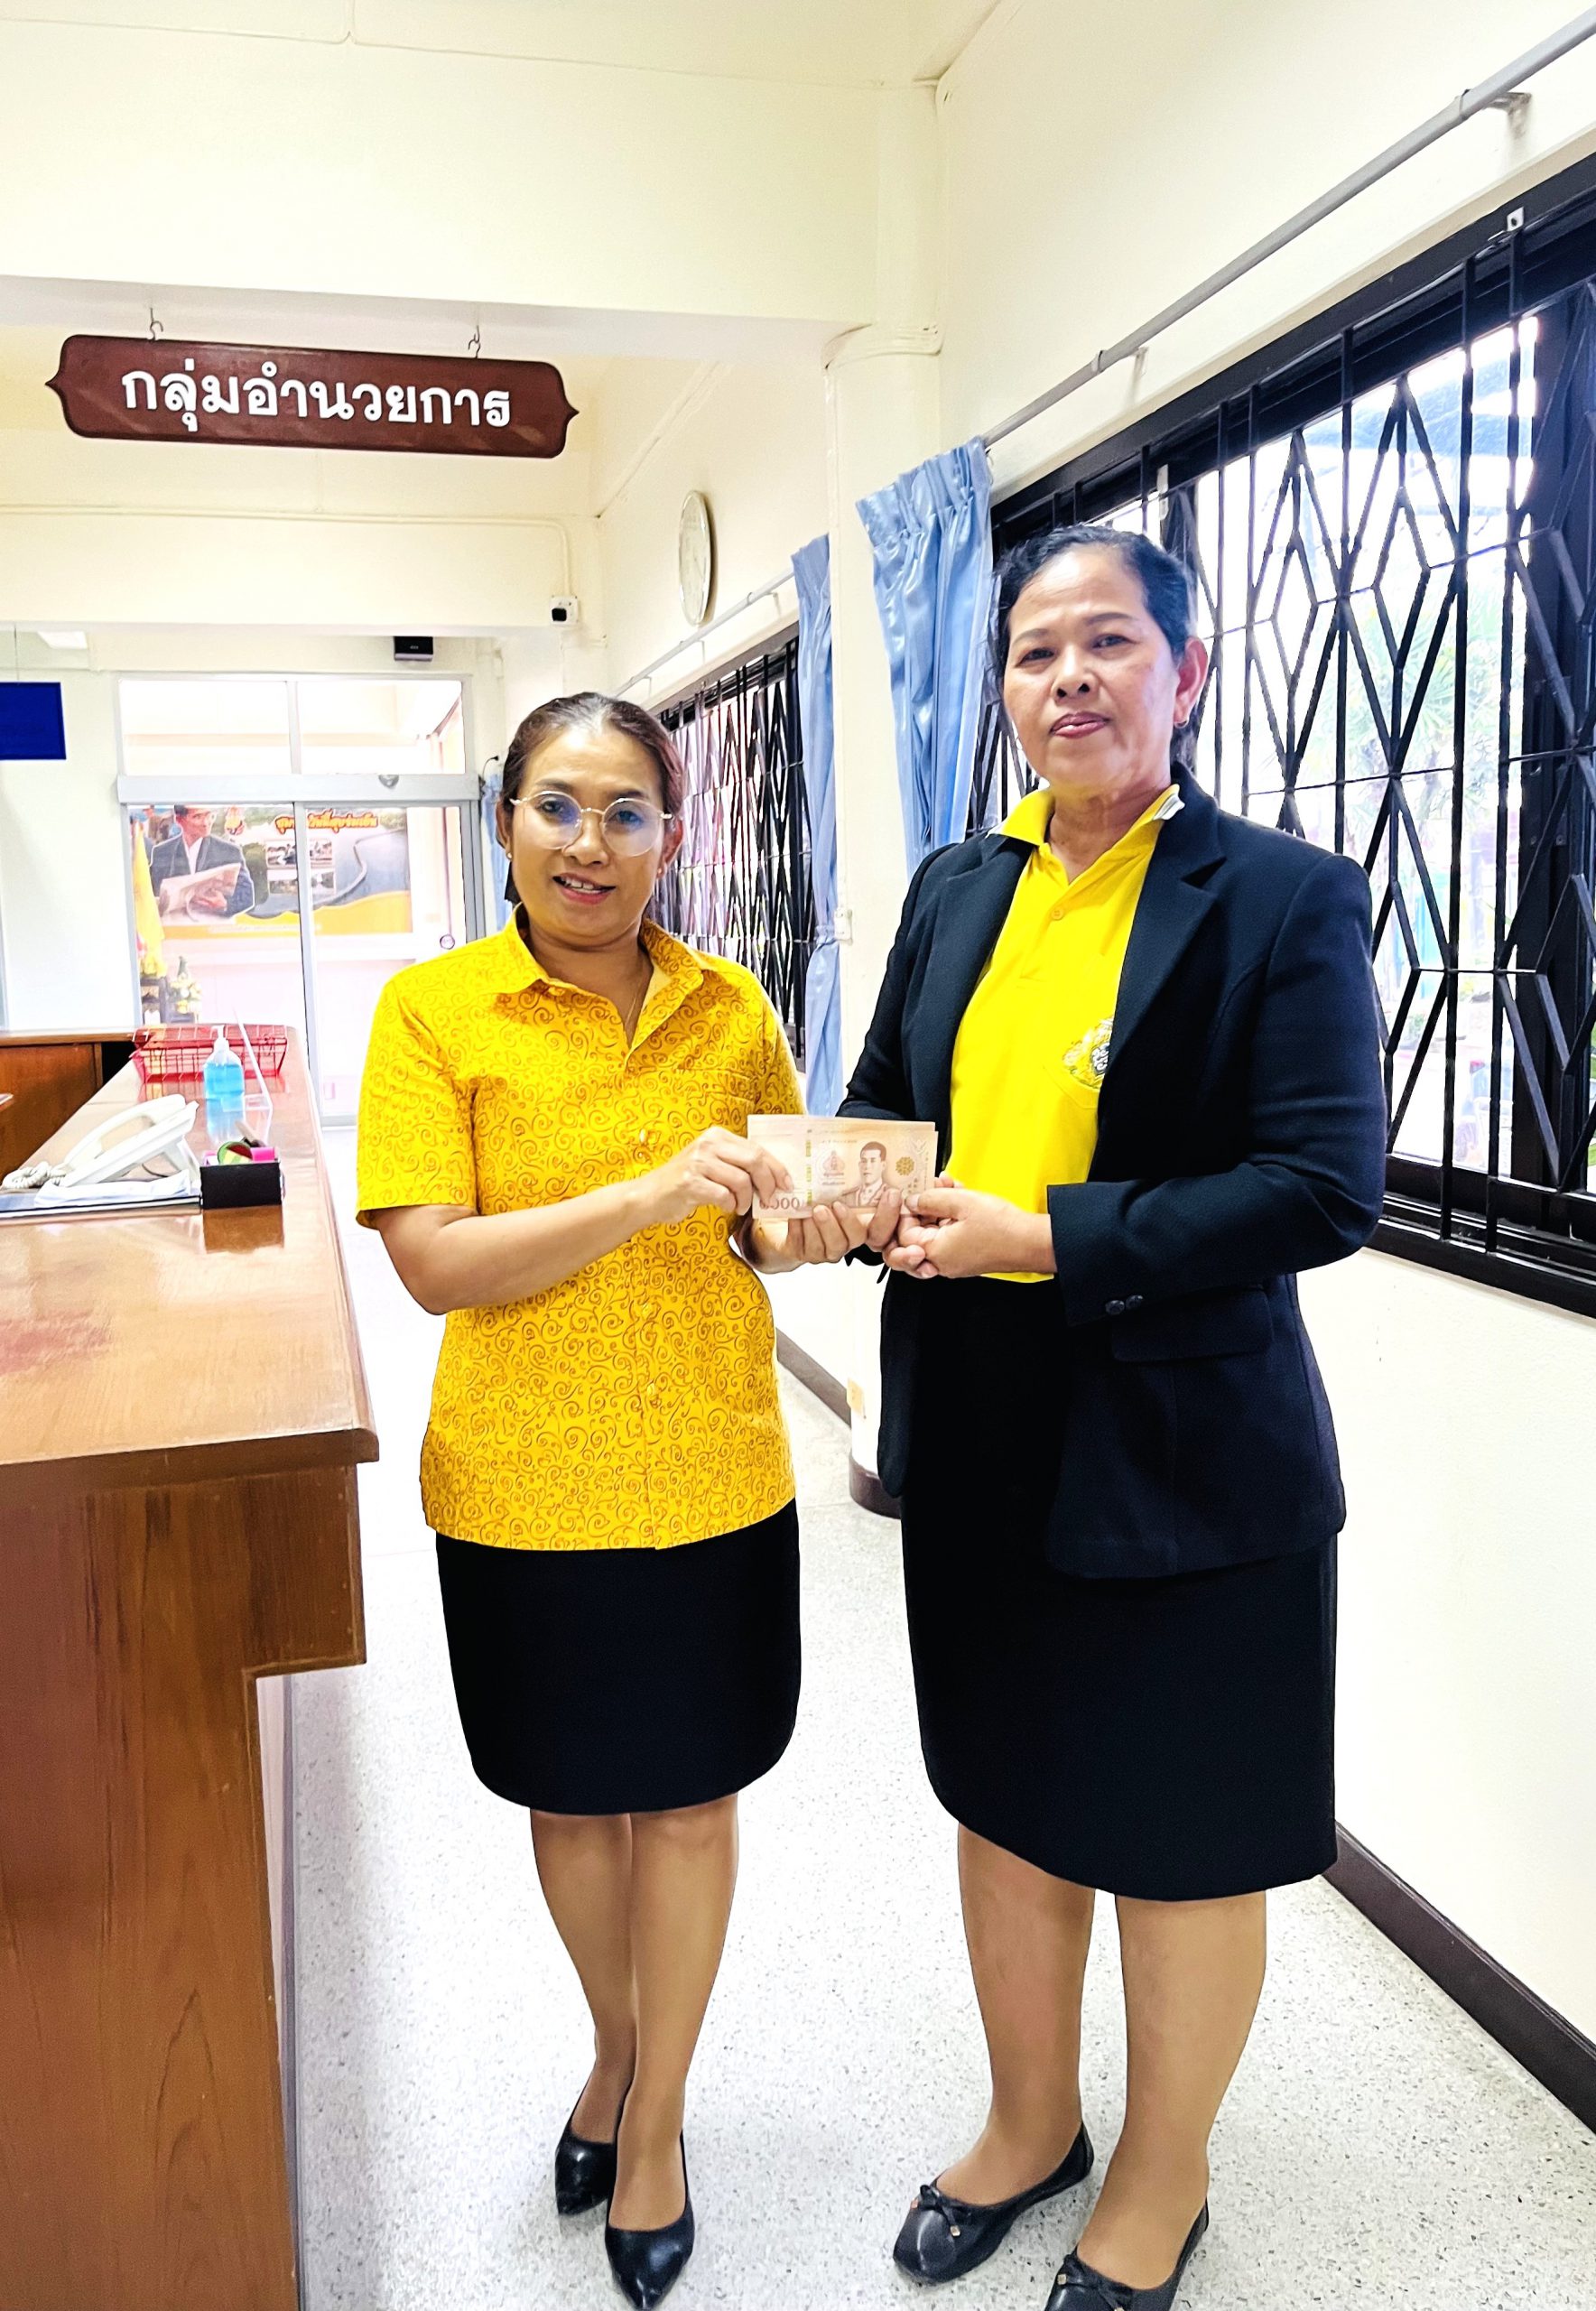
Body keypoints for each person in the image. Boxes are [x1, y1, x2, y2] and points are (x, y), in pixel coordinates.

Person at [842, 525, 1386, 2311]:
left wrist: (1047, 1236)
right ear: (998, 688)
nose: (1065, 676)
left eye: (1106, 644)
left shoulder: (1280, 896)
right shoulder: (955, 885)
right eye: (1030, 651)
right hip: (973, 1422)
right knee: (1004, 1794)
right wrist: (815, 1192)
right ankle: (1027, 2121)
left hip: (1185, 1446)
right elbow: (884, 1106)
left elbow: (1318, 1185)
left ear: (1184, 671)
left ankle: (1163, 2172)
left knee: (1179, 1830)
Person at [357, 692, 897, 2309]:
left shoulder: (730, 1007)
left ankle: (652, 2120)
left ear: (674, 834)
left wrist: (807, 1227)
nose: (589, 845)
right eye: (558, 807)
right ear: (504, 822)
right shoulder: (435, 1011)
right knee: (572, 1801)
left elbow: (760, 1228)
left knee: (691, 1802)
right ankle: (616, 2048)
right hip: (522, 1486)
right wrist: (649, 1190)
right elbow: (435, 1263)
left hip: (712, 1471)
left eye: (627, 814)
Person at [149, 803, 255, 915]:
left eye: (209, 816)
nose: (205, 823)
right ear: (179, 820)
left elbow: (247, 895)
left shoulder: (230, 852)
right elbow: (149, 893)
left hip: (214, 922)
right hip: (173, 922)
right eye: (198, 817)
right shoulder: (162, 853)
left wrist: (225, 904)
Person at [854, 1138, 890, 1207]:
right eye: (864, 1161)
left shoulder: (891, 1195)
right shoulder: (847, 1197)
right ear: (859, 1165)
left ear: (883, 1165)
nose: (867, 1166)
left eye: (873, 1161)